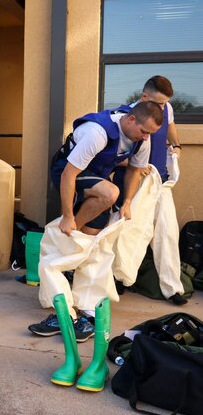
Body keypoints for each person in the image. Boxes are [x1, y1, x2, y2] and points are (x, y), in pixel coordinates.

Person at [28, 100, 163, 339]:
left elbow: (133, 169)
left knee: (90, 243)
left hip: (96, 178)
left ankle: (84, 311)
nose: (145, 138)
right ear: (131, 120)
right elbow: (69, 174)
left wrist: (129, 202)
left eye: (149, 134)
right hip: (67, 173)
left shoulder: (143, 137)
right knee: (109, 194)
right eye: (144, 131)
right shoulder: (97, 133)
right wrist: (69, 217)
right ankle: (62, 314)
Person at [113, 75, 187, 304]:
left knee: (167, 231)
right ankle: (117, 279)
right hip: (133, 182)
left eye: (165, 104)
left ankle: (172, 288)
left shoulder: (166, 108)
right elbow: (108, 156)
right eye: (158, 103)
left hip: (160, 181)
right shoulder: (125, 116)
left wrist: (176, 145)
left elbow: (171, 127)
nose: (162, 108)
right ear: (144, 97)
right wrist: (132, 164)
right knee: (125, 231)